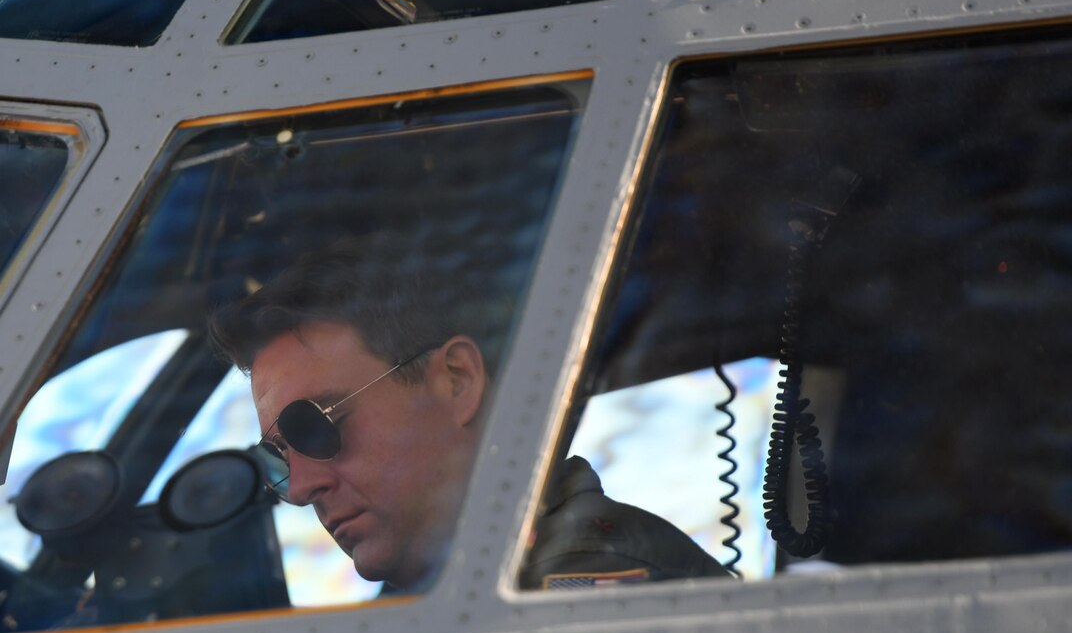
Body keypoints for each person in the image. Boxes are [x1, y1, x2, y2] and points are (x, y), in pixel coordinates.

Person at [207, 250, 732, 592]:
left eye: (316, 425)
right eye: (277, 455)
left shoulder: (581, 587)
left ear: (456, 381)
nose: (301, 488)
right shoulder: (449, 593)